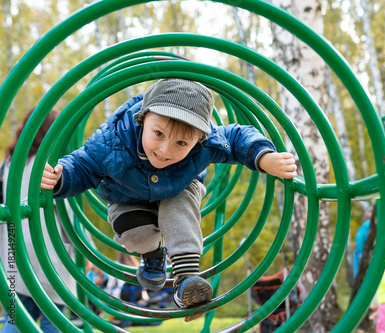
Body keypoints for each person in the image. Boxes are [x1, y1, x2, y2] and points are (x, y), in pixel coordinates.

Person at [40, 78, 297, 320]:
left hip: (180, 187)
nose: (165, 150)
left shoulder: (205, 143)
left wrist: (263, 157)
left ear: (199, 139)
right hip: (127, 195)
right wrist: (60, 179)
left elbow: (237, 137)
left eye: (182, 143)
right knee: (133, 232)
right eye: (159, 134)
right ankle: (153, 256)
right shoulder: (112, 141)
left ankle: (186, 279)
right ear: (143, 119)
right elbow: (82, 165)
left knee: (178, 207)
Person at [0, 109, 77, 333]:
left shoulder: (9, 164)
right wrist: (85, 249)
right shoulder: (50, 167)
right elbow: (68, 217)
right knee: (53, 320)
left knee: (16, 319)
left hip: (15, 254)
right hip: (49, 255)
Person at [353, 211, 372, 279]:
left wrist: (357, 253)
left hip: (363, 255)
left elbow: (359, 242)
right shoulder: (376, 228)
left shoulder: (362, 229)